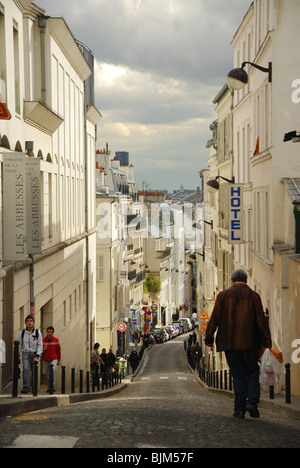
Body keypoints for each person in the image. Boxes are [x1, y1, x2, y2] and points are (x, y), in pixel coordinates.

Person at [205, 269, 272, 419]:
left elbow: (214, 318)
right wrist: (267, 342)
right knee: (253, 371)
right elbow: (262, 321)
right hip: (250, 343)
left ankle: (239, 408)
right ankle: (252, 403)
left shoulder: (223, 296)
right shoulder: (253, 296)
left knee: (238, 375)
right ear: (246, 280)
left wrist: (209, 339)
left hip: (230, 343)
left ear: (232, 280)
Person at [18, 315, 43, 394]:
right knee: (25, 369)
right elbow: (20, 345)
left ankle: (33, 387)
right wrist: (18, 355)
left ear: (33, 322)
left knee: (34, 371)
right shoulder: (22, 333)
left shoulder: (37, 332)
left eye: (31, 321)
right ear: (25, 323)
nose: (29, 322)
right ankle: (25, 387)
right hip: (25, 354)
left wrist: (38, 355)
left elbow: (40, 344)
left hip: (34, 354)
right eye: (28, 321)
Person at [43, 326, 61, 393]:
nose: (49, 333)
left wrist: (59, 360)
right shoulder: (43, 340)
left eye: (51, 332)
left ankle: (52, 387)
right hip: (46, 359)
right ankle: (49, 387)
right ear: (46, 332)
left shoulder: (56, 340)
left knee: (52, 371)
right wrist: (43, 349)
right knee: (47, 374)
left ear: (53, 333)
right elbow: (40, 349)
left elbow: (58, 350)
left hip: (54, 358)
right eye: (48, 332)